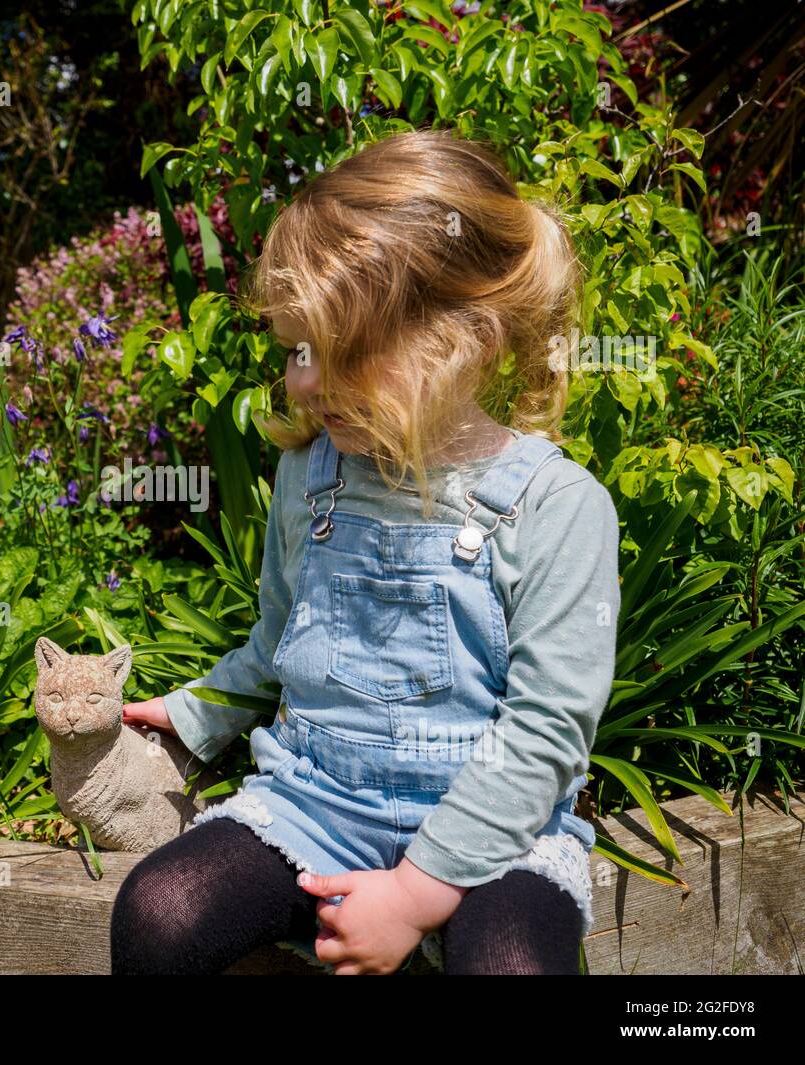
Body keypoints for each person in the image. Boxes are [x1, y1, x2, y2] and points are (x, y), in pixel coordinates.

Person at [112, 129, 619, 976]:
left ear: (468, 340)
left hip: (496, 826)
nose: (304, 382)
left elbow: (546, 731)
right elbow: (281, 635)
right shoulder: (312, 475)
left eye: (339, 352)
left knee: (512, 965)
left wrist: (417, 890)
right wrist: (201, 709)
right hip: (315, 804)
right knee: (159, 911)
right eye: (295, 350)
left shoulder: (556, 506)